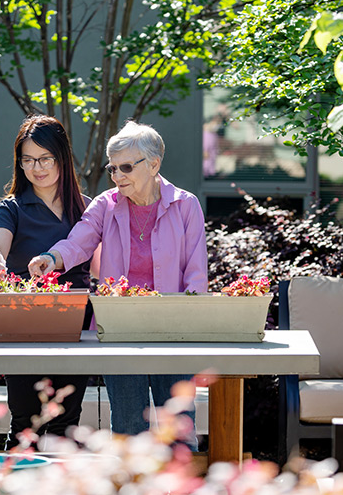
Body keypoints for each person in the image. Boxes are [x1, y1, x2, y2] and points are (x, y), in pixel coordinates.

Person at [27, 119, 208, 450]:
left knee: (180, 432)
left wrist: (193, 328)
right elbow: (78, 241)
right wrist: (52, 259)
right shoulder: (105, 205)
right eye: (112, 168)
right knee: (127, 434)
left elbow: (196, 274)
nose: (117, 176)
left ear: (154, 164)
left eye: (126, 167)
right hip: (120, 331)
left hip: (174, 332)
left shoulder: (185, 205)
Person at [0, 114, 92, 449]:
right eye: (27, 160)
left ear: (62, 158)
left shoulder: (85, 209)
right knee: (24, 424)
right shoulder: (12, 208)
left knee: (66, 422)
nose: (36, 168)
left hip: (75, 326)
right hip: (24, 324)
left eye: (45, 158)